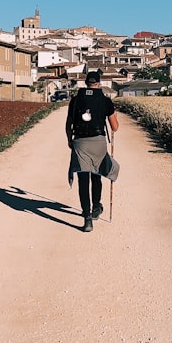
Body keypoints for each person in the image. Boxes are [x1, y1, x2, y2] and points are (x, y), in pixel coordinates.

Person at [66, 69, 119, 232]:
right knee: (97, 175)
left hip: (80, 142)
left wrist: (70, 141)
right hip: (98, 142)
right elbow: (115, 127)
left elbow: (68, 124)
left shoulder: (75, 100)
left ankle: (87, 218)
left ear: (85, 83)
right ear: (99, 83)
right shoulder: (105, 100)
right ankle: (96, 207)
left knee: (83, 179)